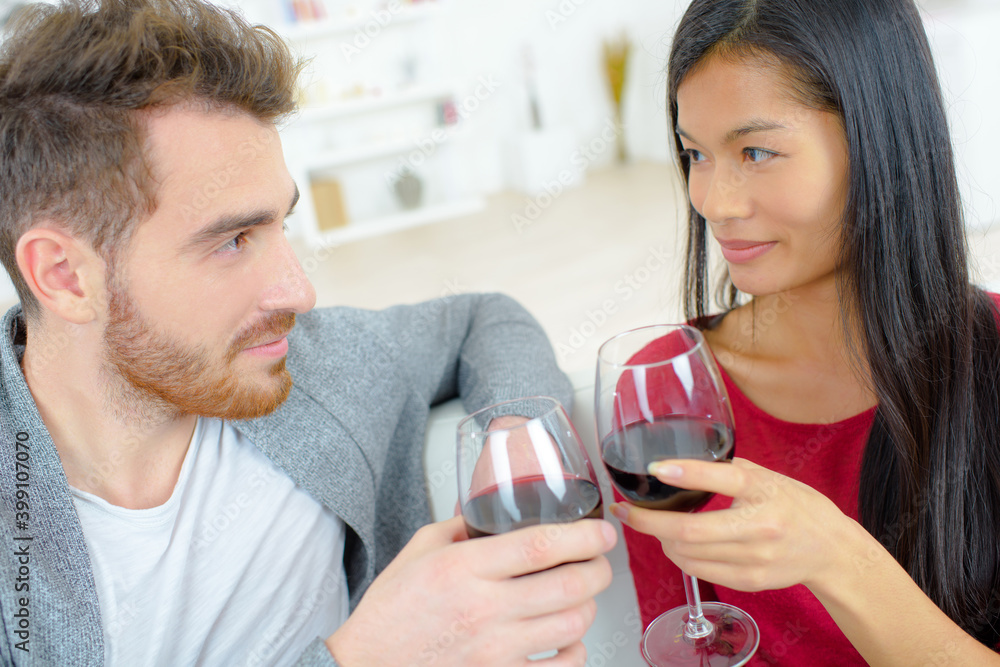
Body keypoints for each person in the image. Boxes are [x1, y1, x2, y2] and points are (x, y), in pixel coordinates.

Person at [0, 1, 616, 665]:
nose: (300, 293)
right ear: (64, 275)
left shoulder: (312, 368)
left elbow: (481, 319)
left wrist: (513, 436)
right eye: (233, 240)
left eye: (279, 225)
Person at [610, 0, 1000, 665]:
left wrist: (835, 557)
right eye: (695, 153)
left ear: (879, 143)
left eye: (757, 151)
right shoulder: (668, 391)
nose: (713, 201)